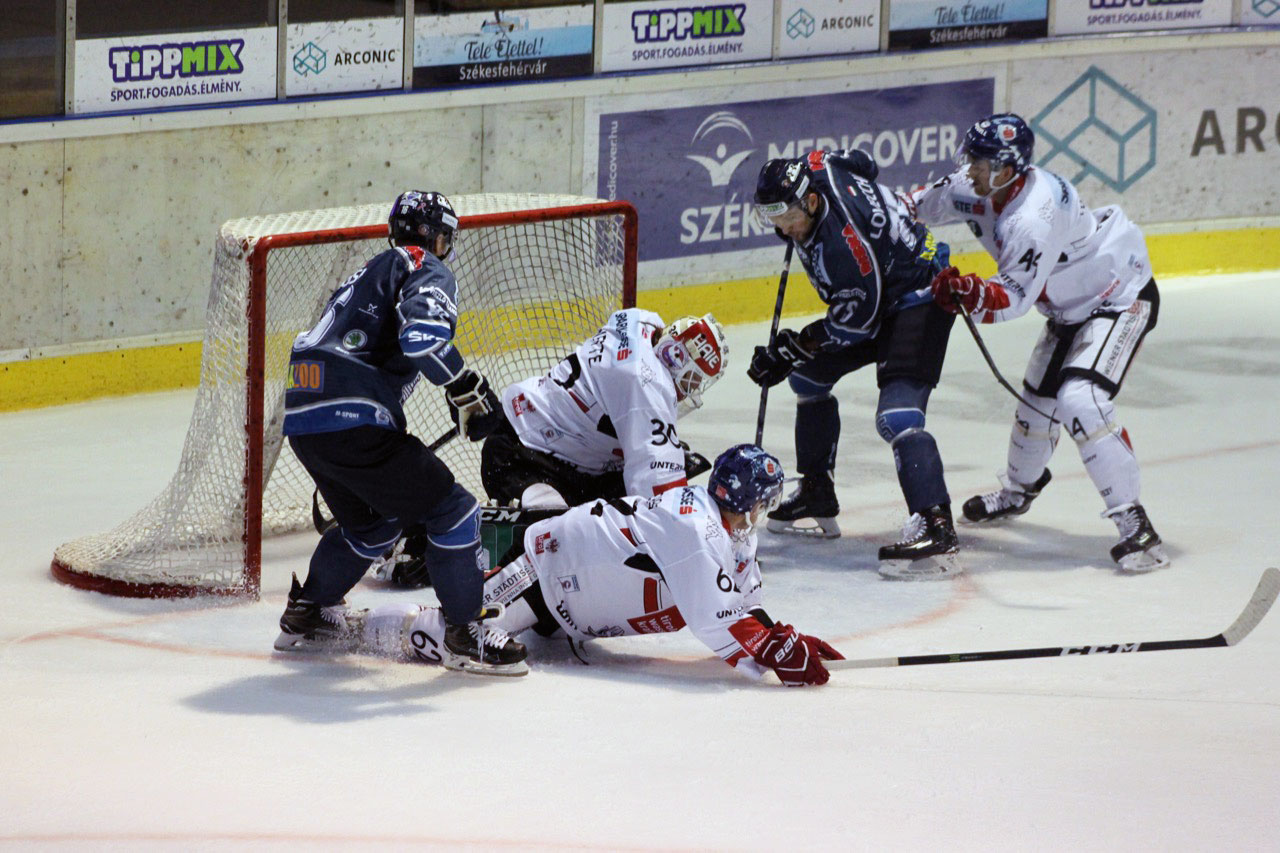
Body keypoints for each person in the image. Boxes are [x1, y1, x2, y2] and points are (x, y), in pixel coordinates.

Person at [274, 189, 527, 674]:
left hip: (305, 417)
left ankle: (307, 614)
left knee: (374, 525)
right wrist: (466, 389)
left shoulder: (370, 270)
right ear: (435, 237)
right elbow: (422, 339)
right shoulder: (423, 266)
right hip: (353, 415)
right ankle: (464, 634)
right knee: (455, 512)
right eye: (445, 238)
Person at [904, 113, 1169, 572]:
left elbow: (1011, 300)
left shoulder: (1035, 215)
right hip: (1068, 307)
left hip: (1117, 295)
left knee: (1081, 401)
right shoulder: (977, 186)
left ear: (1007, 171)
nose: (968, 170)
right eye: (969, 159)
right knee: (1034, 411)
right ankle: (1017, 493)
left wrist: (969, 291)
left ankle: (1134, 522)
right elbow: (910, 206)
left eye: (979, 163)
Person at [358, 444, 845, 685]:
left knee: (494, 636)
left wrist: (782, 638)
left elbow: (744, 602)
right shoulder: (698, 532)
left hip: (576, 602)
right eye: (763, 502)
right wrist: (769, 654)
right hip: (548, 567)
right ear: (745, 500)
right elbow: (716, 621)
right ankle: (348, 629)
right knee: (455, 633)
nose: (762, 513)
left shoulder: (731, 530)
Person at [374, 308, 728, 588]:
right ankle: (423, 540)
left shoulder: (641, 322)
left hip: (564, 453)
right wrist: (698, 549)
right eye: (692, 379)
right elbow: (659, 497)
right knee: (555, 536)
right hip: (522, 459)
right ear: (676, 358)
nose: (689, 390)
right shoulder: (645, 387)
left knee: (676, 465)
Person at [748, 150, 961, 580]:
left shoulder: (844, 248)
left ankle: (937, 527)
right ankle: (817, 491)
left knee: (897, 415)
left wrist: (795, 346)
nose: (781, 228)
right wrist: (799, 356)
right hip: (879, 292)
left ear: (810, 203)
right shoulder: (817, 166)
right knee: (808, 378)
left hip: (918, 296)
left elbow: (858, 322)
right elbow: (863, 162)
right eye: (772, 218)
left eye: (787, 217)